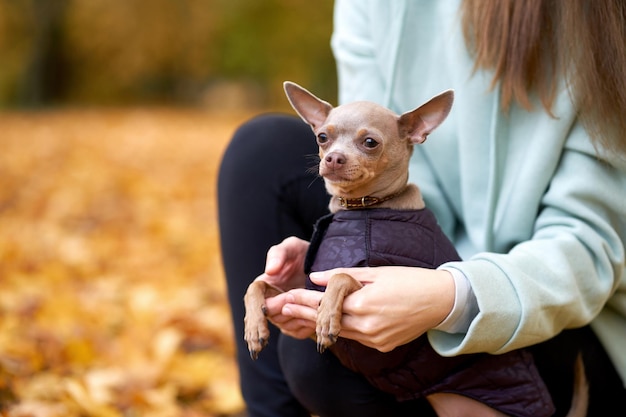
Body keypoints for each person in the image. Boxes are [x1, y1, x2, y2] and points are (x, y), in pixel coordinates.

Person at [218, 1, 626, 416]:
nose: (333, 153)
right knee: (260, 151)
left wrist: (452, 296)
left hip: (554, 320)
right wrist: (341, 249)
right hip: (425, 240)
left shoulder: (590, 18)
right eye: (323, 140)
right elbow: (376, 157)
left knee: (315, 362)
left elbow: (590, 248)